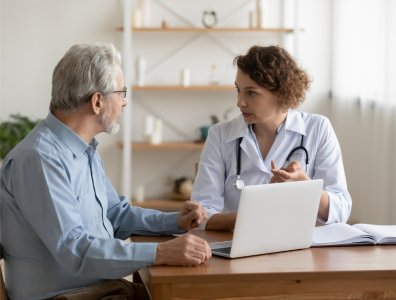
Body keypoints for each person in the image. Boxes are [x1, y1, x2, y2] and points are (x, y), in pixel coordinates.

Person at [0, 43, 211, 300]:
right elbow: (74, 249)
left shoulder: (83, 150)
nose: (124, 102)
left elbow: (115, 215)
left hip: (100, 290)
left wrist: (174, 221)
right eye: (121, 92)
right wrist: (161, 252)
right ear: (98, 101)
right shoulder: (40, 160)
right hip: (67, 296)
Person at [192, 45, 352, 231]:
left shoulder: (318, 128)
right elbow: (200, 217)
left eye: (251, 93)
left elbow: (340, 211)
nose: (240, 102)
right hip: (235, 245)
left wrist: (302, 182)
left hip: (297, 248)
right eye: (239, 90)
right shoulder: (219, 135)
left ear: (282, 94)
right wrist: (255, 215)